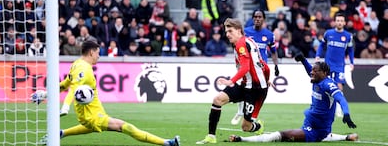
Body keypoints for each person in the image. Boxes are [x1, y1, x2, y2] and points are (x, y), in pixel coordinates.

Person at [32, 41, 180, 146]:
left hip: (87, 115)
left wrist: (45, 94)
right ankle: (167, 143)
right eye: (97, 53)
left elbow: (65, 84)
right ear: (91, 52)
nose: (99, 56)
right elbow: (73, 89)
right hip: (93, 115)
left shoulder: (76, 64)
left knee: (91, 127)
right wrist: (65, 107)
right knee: (126, 127)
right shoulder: (85, 69)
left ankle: (61, 133)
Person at [228, 53, 358, 143]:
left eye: (315, 71)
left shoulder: (328, 85)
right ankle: (347, 137)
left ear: (324, 73)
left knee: (283, 135)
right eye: (312, 70)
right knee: (318, 136)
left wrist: (346, 113)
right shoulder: (317, 79)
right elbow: (310, 71)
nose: (311, 72)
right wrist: (303, 60)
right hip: (311, 122)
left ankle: (242, 139)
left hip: (318, 128)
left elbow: (341, 99)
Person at [196, 18, 269, 144]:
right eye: (226, 31)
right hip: (245, 85)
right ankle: (211, 136)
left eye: (230, 31)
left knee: (246, 127)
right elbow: (263, 65)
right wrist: (268, 79)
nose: (227, 34)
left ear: (239, 31)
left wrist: (231, 81)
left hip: (256, 90)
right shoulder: (247, 42)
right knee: (217, 100)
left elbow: (246, 67)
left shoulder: (241, 44)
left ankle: (258, 126)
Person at [231, 9, 279, 125]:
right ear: (253, 19)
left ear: (263, 19)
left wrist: (276, 65)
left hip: (260, 69)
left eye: (259, 17)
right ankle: (240, 112)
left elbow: (273, 51)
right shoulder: (246, 32)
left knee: (257, 91)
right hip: (247, 65)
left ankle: (250, 116)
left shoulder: (269, 35)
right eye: (255, 17)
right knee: (242, 86)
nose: (257, 19)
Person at [315, 13, 354, 117]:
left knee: (339, 86)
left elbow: (350, 50)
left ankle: (338, 109)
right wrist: (318, 55)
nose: (339, 22)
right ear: (335, 22)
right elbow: (321, 45)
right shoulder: (328, 33)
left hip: (339, 66)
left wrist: (352, 62)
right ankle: (325, 107)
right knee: (325, 87)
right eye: (338, 20)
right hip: (327, 66)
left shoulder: (348, 36)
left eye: (341, 21)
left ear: (344, 23)